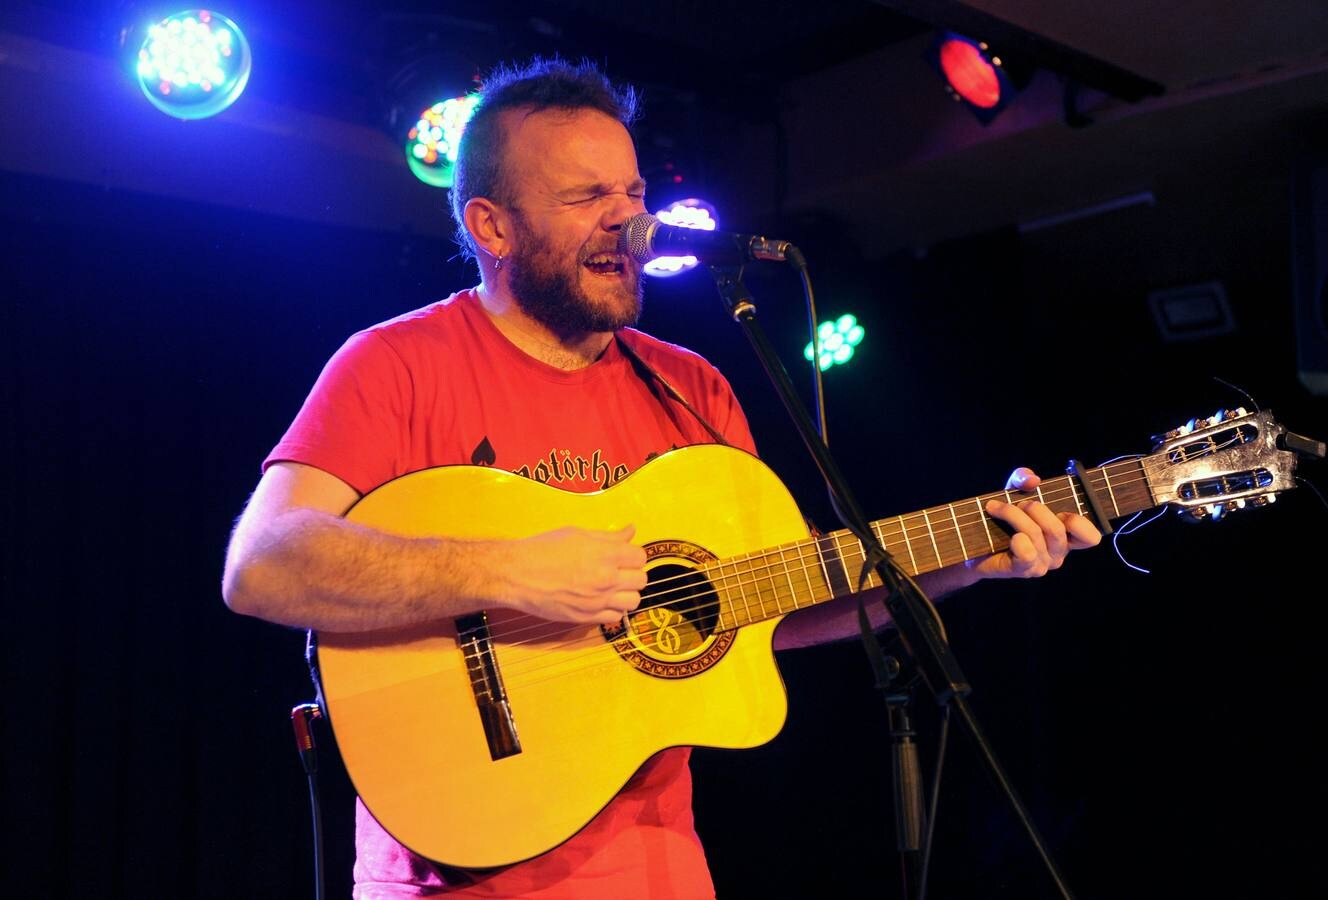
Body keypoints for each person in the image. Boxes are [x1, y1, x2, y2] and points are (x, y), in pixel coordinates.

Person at [221, 58, 1102, 899]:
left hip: (658, 871)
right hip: (454, 877)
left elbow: (770, 604)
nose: (627, 220)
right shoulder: (396, 364)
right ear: (492, 226)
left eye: (633, 191)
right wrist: (500, 573)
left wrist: (964, 561)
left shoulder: (693, 387)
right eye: (584, 197)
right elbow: (263, 566)